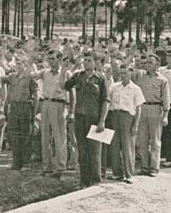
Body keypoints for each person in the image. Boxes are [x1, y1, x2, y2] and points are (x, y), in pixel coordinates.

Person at [64, 51, 110, 187]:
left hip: (94, 119)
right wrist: (69, 67)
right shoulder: (78, 76)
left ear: (95, 62)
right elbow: (66, 85)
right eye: (85, 60)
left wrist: (102, 120)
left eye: (89, 60)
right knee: (82, 151)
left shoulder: (100, 79)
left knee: (95, 152)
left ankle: (96, 181)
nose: (86, 63)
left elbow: (106, 100)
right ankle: (84, 181)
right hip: (80, 118)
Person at [132, 54, 170, 176]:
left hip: (155, 109)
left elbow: (166, 99)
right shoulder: (140, 77)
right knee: (142, 140)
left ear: (157, 65)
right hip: (142, 108)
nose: (147, 64)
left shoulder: (162, 80)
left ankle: (153, 167)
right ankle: (144, 166)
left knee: (155, 141)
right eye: (146, 62)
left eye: (150, 62)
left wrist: (165, 115)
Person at [33, 51, 69, 178]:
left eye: (53, 59)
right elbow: (31, 76)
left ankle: (60, 168)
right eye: (49, 59)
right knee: (45, 137)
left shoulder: (65, 72)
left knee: (59, 137)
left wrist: (71, 110)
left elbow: (71, 92)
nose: (51, 61)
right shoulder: (45, 73)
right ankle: (46, 167)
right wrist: (30, 59)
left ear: (59, 59)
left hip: (58, 104)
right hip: (46, 103)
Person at [108, 64, 145, 183]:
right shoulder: (114, 87)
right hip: (114, 115)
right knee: (115, 145)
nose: (122, 75)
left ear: (130, 73)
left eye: (125, 73)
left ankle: (129, 174)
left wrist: (136, 125)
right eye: (121, 73)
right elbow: (108, 101)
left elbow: (138, 108)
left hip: (128, 117)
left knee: (127, 146)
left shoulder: (135, 89)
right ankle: (117, 173)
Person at [4, 55, 39, 171]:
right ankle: (16, 162)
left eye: (20, 64)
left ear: (25, 64)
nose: (18, 66)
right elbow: (5, 84)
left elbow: (36, 96)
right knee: (14, 135)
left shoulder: (30, 77)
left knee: (26, 135)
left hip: (25, 107)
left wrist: (34, 112)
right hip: (14, 107)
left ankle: (26, 163)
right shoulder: (13, 77)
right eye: (17, 63)